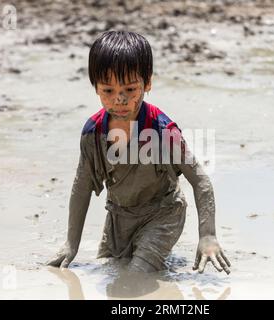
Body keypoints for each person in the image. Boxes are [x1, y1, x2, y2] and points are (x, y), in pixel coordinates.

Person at [46, 30, 230, 274]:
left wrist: (207, 236)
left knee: (134, 278)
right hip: (118, 219)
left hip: (163, 214)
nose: (119, 100)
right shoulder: (93, 133)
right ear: (95, 88)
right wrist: (71, 245)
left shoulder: (163, 131)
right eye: (108, 91)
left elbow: (201, 181)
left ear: (148, 83)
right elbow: (81, 188)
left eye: (130, 90)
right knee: (111, 275)